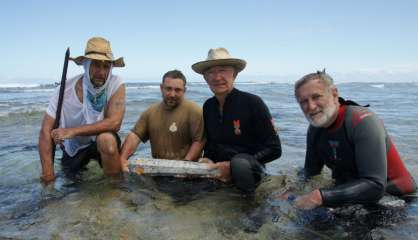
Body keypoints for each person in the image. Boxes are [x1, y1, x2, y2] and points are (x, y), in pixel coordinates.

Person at [292, 70, 417, 209]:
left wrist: (321, 196)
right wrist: (291, 189)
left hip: (399, 199)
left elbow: (375, 185)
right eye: (303, 102)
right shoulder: (315, 130)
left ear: (334, 94)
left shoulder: (362, 121)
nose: (311, 106)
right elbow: (310, 171)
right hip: (355, 194)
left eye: (316, 97)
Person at [191, 48, 282, 193]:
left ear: (234, 74)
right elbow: (211, 145)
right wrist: (207, 158)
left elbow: (275, 149)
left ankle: (250, 205)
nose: (217, 77)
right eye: (210, 72)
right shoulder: (208, 106)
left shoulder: (253, 103)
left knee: (239, 164)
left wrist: (232, 166)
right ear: (205, 78)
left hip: (248, 172)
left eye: (223, 70)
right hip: (218, 172)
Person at [39, 37, 126, 184]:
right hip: (74, 147)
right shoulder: (63, 90)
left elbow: (114, 123)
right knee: (73, 188)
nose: (101, 72)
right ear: (85, 64)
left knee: (107, 141)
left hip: (99, 143)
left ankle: (115, 190)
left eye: (106, 67)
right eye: (96, 65)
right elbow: (45, 132)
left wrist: (72, 131)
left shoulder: (116, 83)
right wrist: (48, 173)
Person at [119, 70, 204, 171]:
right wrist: (122, 159)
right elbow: (135, 136)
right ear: (161, 88)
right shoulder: (150, 112)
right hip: (158, 169)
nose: (172, 94)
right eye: (168, 89)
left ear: (184, 90)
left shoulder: (195, 111)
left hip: (187, 171)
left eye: (177, 90)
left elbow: (199, 141)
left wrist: (184, 166)